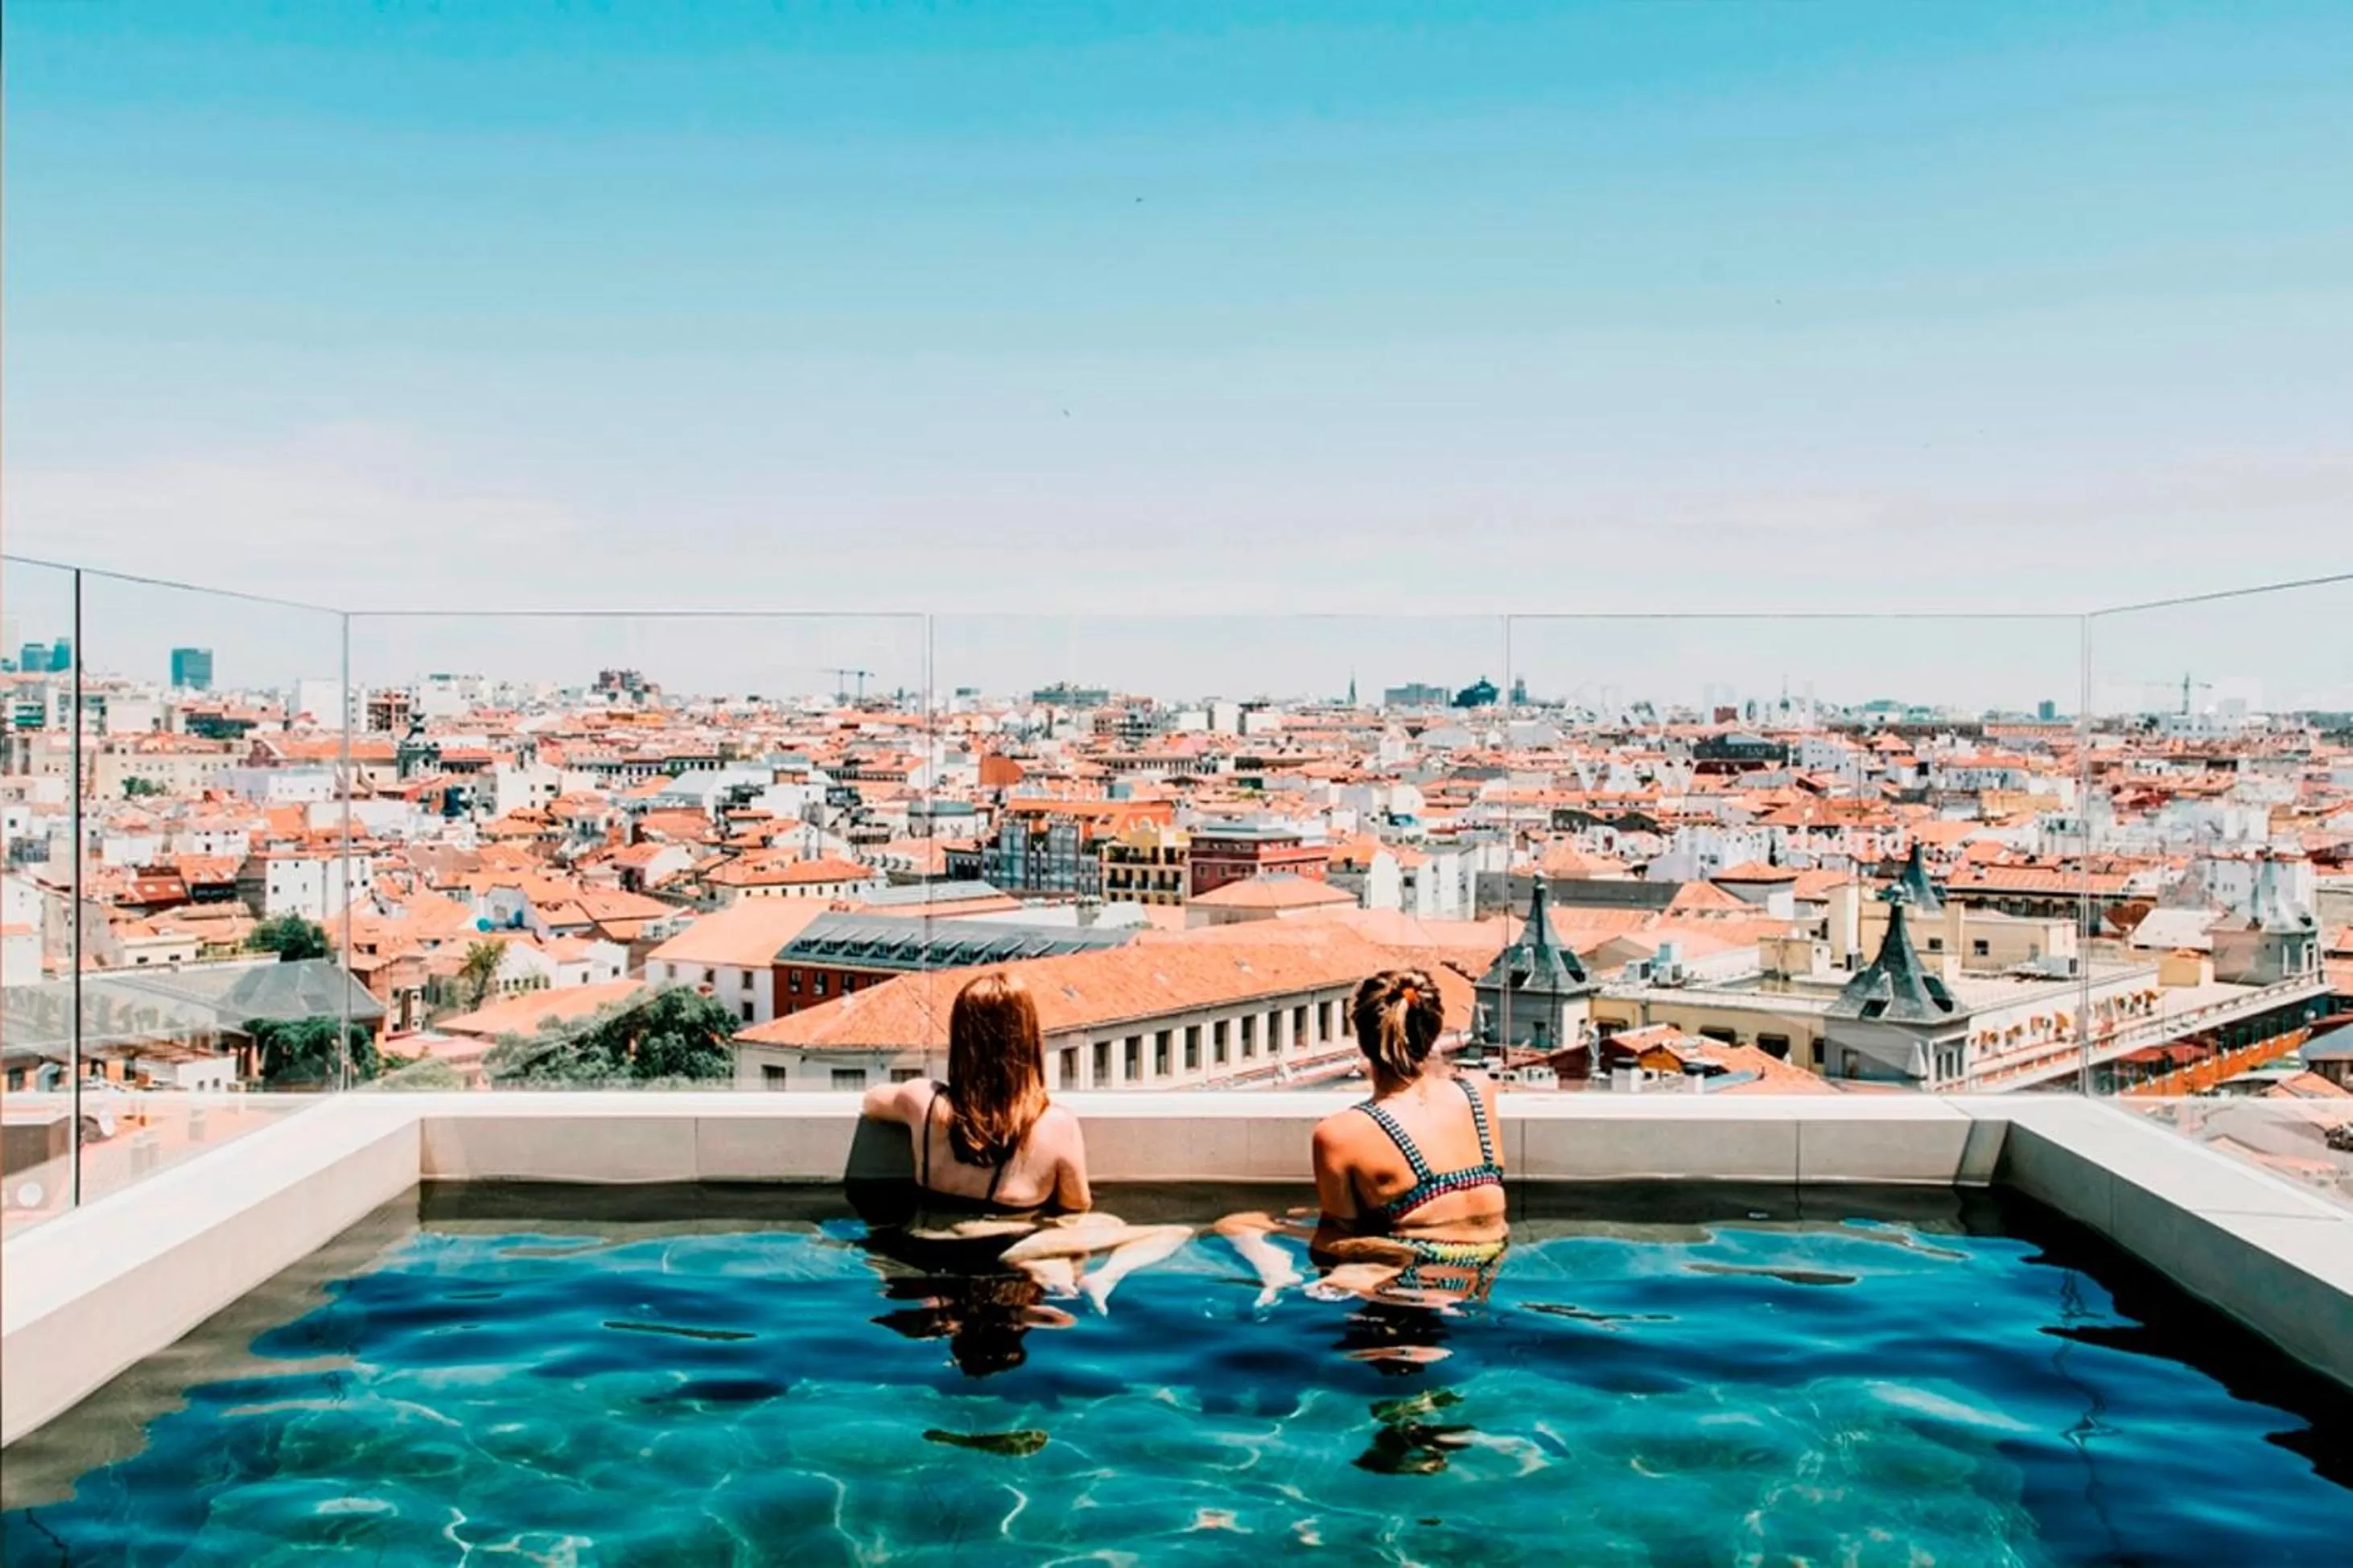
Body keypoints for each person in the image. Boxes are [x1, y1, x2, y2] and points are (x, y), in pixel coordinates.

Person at [859, 970, 1188, 1315]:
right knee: (1164, 1231)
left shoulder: (922, 1104)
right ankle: (1101, 1279)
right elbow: (1075, 1210)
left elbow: (871, 1101)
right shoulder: (1054, 1125)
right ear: (1028, 1040)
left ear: (959, 1037)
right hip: (1009, 1274)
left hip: (926, 1259)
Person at [1217, 968, 1508, 1330]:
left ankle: (1277, 1279)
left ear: (1362, 1039)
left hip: (1410, 1270)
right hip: (1486, 1267)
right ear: (1433, 1030)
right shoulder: (1479, 1090)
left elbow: (1336, 1238)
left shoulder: (1342, 1132)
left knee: (1235, 1223)